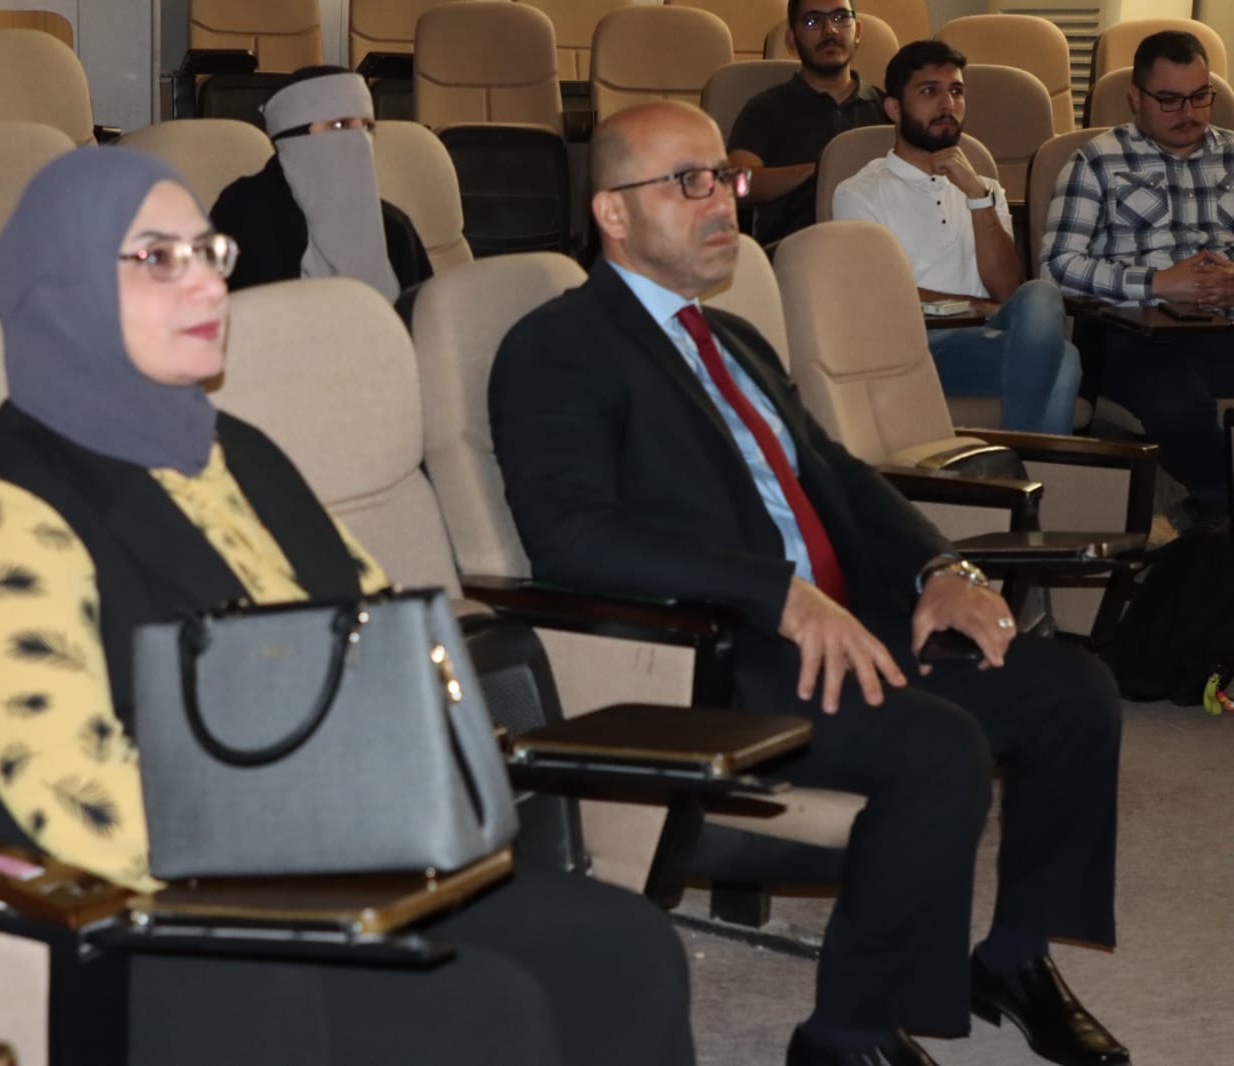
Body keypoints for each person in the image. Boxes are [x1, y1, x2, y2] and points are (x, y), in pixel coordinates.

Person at [0, 146, 693, 1066]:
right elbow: (85, 811)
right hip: (150, 929)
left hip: (335, 865)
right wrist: (340, 842)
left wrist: (424, 783)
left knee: (628, 950)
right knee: (482, 1011)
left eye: (209, 252)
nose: (206, 284)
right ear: (64, 287)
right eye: (157, 258)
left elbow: (384, 649)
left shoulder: (237, 453)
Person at [490, 100, 1128, 1066]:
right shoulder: (559, 345)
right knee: (936, 748)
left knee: (1072, 691)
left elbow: (837, 474)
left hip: (840, 622)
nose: (722, 203)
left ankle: (1011, 958)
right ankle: (843, 1034)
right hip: (711, 654)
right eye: (688, 183)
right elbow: (573, 538)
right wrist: (776, 595)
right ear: (612, 213)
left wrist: (940, 567)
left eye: (725, 178)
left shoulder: (733, 337)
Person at [833, 40, 1081, 435]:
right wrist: (974, 305)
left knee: (1040, 294)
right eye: (929, 91)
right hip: (913, 348)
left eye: (957, 91)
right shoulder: (858, 192)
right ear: (894, 108)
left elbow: (1005, 290)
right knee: (1064, 359)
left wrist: (978, 199)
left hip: (986, 338)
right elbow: (878, 293)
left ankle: (1015, 464)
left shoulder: (984, 188)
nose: (947, 103)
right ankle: (1026, 463)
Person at [1041, 29, 1234, 527]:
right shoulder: (1096, 161)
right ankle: (1218, 503)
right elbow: (1057, 267)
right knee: (1179, 403)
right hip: (1136, 333)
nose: (1187, 112)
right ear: (1135, 97)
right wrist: (1157, 282)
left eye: (1200, 96)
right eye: (1169, 99)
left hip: (1225, 325)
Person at [211, 66, 430, 297]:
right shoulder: (244, 212)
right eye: (340, 125)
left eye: (367, 127)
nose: (360, 140)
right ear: (292, 136)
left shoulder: (394, 228)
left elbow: (425, 313)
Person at [726, 0, 886, 243]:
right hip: (794, 251)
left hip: (879, 248)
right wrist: (821, 170)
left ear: (858, 31)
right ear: (791, 39)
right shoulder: (766, 109)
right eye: (813, 21)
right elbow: (737, 185)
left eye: (841, 18)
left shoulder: (888, 109)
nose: (830, 30)